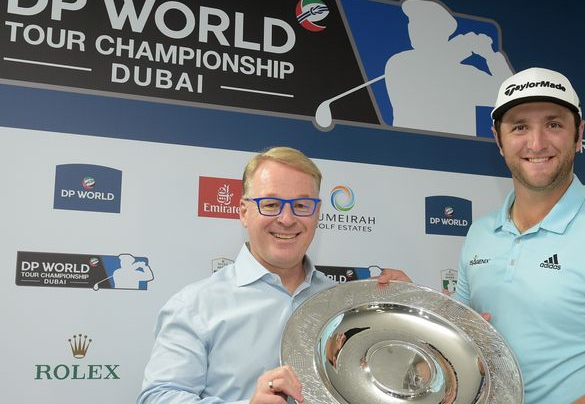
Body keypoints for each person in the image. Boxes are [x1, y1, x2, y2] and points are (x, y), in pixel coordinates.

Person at [454, 68, 585, 403]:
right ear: (498, 139)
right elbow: (461, 342)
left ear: (578, 133)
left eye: (554, 124)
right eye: (520, 127)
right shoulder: (480, 233)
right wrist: (409, 306)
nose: (537, 143)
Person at [138, 146, 407, 404]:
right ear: (244, 212)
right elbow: (158, 398)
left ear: (317, 213)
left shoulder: (345, 305)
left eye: (302, 205)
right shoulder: (195, 306)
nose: (287, 219)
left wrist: (402, 320)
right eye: (271, 204)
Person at [385, 0, 512, 136]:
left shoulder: (465, 73)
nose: (413, 28)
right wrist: (464, 46)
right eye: (412, 22)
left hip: (456, 152)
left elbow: (508, 95)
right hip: (408, 147)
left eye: (422, 24)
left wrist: (490, 55)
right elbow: (430, 66)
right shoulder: (400, 62)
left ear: (442, 32)